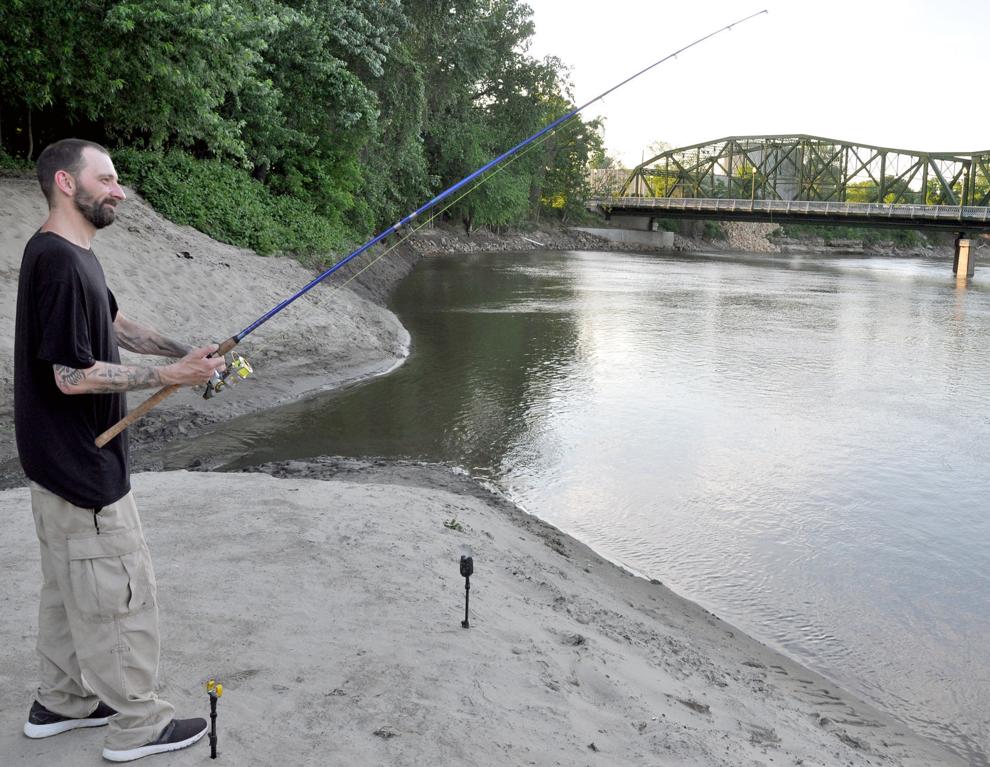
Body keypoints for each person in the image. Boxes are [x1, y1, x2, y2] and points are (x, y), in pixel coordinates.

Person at [14, 138, 226, 762]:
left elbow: (116, 325)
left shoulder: (70, 254)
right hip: (82, 467)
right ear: (65, 182)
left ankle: (62, 701)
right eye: (106, 180)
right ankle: (137, 723)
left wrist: (189, 355)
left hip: (55, 464)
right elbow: (70, 376)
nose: (119, 191)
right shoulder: (57, 262)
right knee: (117, 591)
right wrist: (169, 379)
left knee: (66, 587)